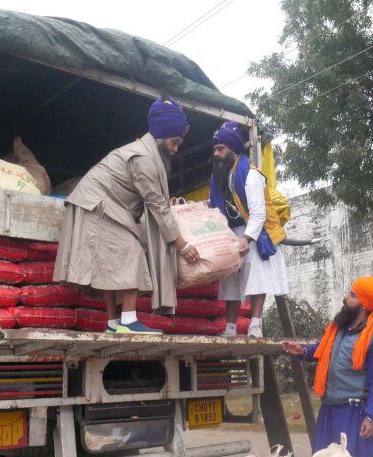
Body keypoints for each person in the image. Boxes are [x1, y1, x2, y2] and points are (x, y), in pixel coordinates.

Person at [53, 97, 199, 333]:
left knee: (109, 266)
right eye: (174, 142)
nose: (176, 148)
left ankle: (113, 323)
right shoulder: (143, 158)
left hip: (100, 204)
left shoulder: (146, 152)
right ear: (160, 136)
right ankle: (128, 322)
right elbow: (157, 205)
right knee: (131, 253)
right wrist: (182, 246)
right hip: (97, 205)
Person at [281, 276, 373, 457]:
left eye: (352, 295)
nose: (345, 297)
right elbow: (324, 350)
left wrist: (372, 417)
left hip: (354, 415)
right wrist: (303, 351)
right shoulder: (338, 328)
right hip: (328, 410)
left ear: (364, 305)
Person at [210, 121, 288, 338]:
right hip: (230, 231)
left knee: (256, 273)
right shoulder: (217, 177)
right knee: (229, 278)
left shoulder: (251, 174)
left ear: (233, 149)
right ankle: (231, 328)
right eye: (214, 149)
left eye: (220, 149)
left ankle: (255, 325)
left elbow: (258, 214)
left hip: (255, 231)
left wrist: (247, 238)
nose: (216, 154)